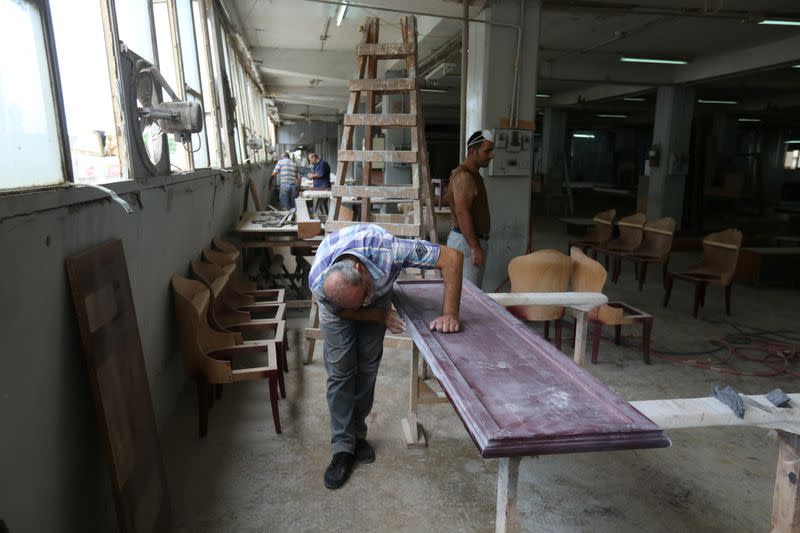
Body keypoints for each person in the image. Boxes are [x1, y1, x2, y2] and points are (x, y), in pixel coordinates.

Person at [308, 224, 464, 489]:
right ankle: (342, 448)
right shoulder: (320, 280)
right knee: (342, 372)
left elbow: (453, 258)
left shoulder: (390, 249)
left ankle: (357, 434)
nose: (361, 306)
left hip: (376, 295)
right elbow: (344, 310)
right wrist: (376, 315)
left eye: (362, 299)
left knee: (367, 368)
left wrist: (449, 313)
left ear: (361, 271)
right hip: (339, 311)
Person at [443, 129, 495, 288]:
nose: (491, 155)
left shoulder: (474, 175)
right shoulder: (464, 177)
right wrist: (474, 247)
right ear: (472, 151)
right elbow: (462, 212)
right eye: (487, 151)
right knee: (467, 295)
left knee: (470, 293)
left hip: (470, 240)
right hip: (466, 242)